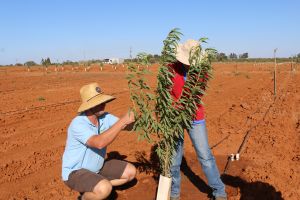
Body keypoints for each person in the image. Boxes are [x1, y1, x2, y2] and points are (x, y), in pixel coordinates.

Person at [169, 40, 227, 200]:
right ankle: (174, 193)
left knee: (205, 155)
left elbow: (194, 97)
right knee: (174, 159)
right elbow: (165, 94)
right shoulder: (170, 69)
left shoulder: (203, 72)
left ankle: (219, 191)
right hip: (175, 118)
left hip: (195, 117)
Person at [62, 82, 136, 200]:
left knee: (130, 172)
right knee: (104, 188)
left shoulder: (104, 117)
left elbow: (127, 127)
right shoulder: (78, 123)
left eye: (103, 101)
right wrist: (122, 121)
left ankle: (98, 186)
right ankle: (84, 198)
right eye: (99, 102)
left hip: (97, 168)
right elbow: (99, 143)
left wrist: (132, 120)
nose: (103, 104)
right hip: (75, 172)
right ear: (89, 105)